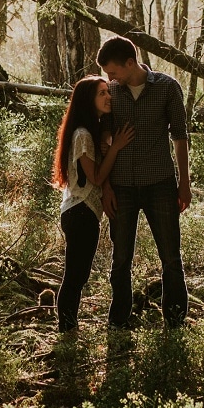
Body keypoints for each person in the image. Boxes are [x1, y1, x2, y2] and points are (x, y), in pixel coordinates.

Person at [97, 35, 191, 329]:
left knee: (171, 257)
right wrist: (107, 187)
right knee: (121, 257)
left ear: (130, 62)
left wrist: (184, 183)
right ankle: (119, 319)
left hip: (160, 183)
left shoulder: (166, 87)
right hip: (121, 186)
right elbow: (103, 141)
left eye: (113, 71)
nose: (110, 78)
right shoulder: (111, 92)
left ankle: (175, 320)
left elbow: (179, 136)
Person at [51, 75, 134, 333]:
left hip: (83, 212)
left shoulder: (89, 132)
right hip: (80, 212)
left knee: (78, 274)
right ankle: (66, 327)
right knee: (75, 276)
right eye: (101, 93)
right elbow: (96, 177)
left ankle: (68, 325)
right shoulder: (82, 135)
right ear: (88, 100)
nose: (108, 97)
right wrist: (117, 147)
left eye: (107, 92)